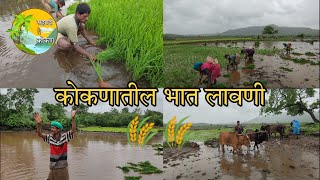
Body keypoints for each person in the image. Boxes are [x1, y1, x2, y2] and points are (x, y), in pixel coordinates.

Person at [34, 110, 78, 180]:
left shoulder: (65, 137)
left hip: (61, 168)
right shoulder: (50, 138)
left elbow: (73, 130)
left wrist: (73, 118)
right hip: (52, 167)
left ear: (59, 129)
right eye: (51, 128)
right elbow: (40, 134)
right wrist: (39, 125)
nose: (51, 129)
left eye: (53, 128)